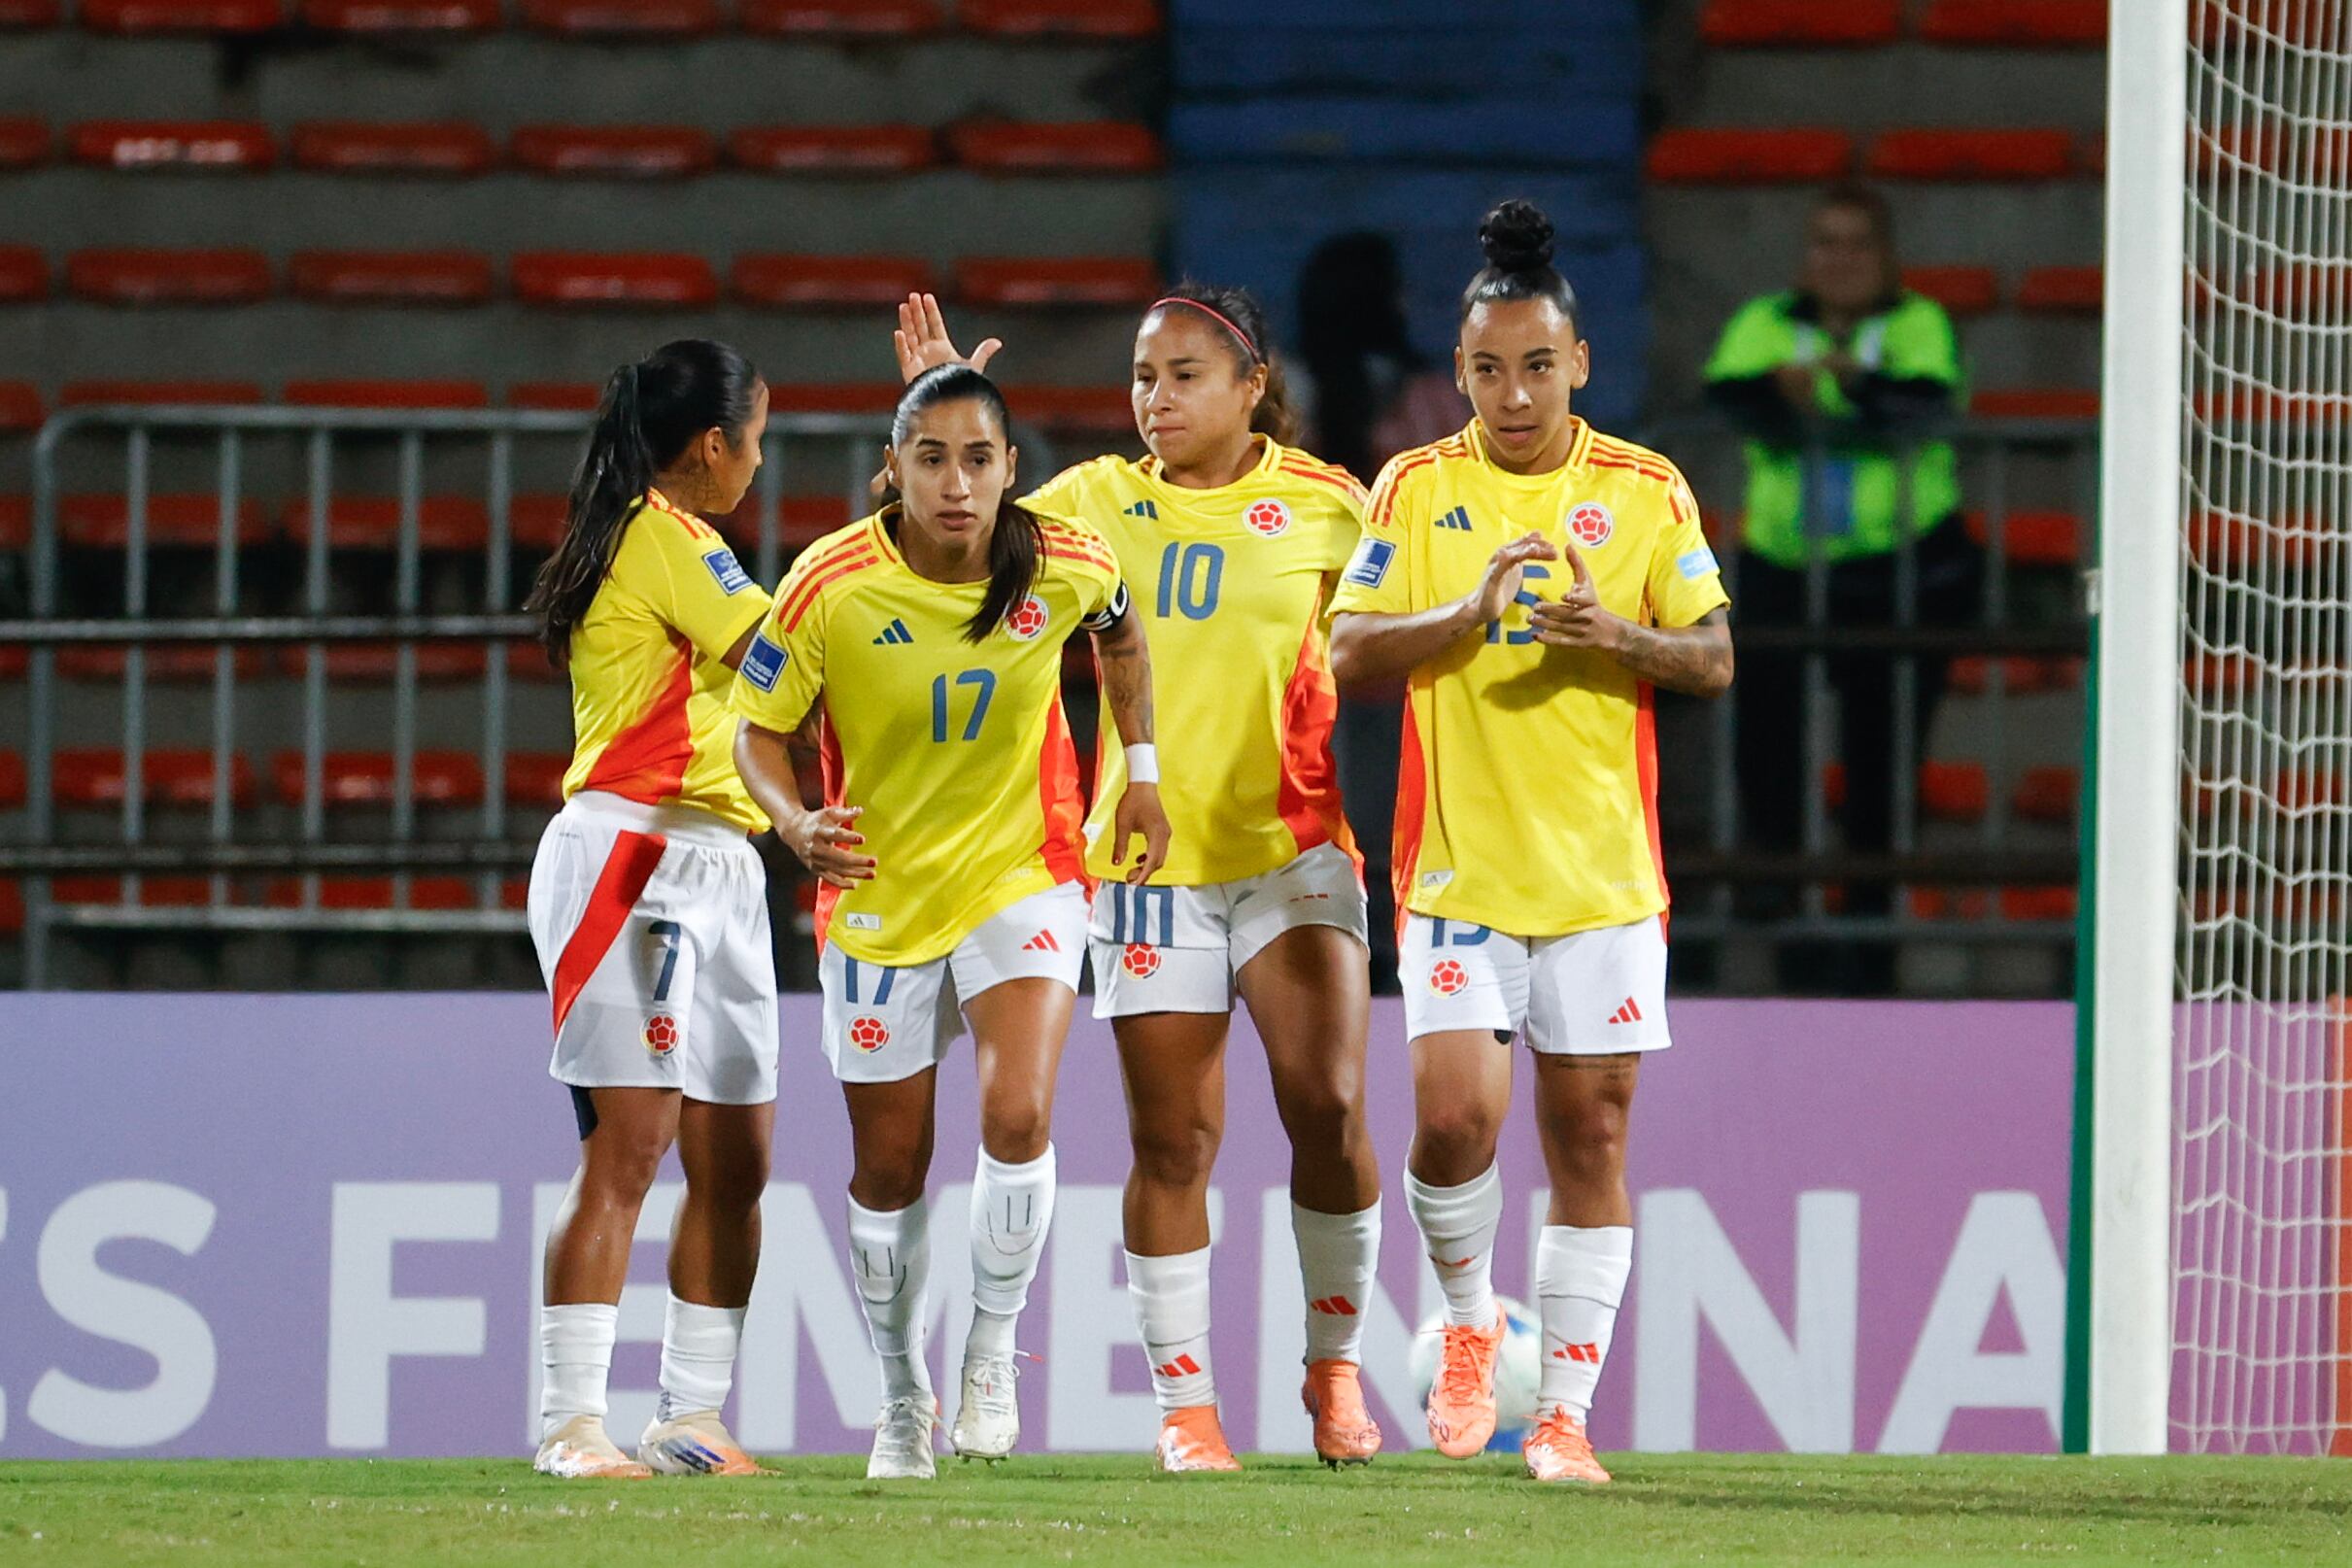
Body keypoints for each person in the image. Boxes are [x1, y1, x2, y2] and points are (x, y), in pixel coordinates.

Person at [893, 287, 1387, 1473]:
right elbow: (949, 542)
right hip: (1149, 860)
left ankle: (1333, 1365)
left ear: (1250, 387)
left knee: (1326, 1107)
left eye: (1181, 379)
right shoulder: (1091, 504)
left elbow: (1398, 636)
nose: (1153, 401)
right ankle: (1188, 1409)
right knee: (1175, 1143)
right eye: (1140, 378)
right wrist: (946, 409)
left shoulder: (1333, 507)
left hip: (1294, 848)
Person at [1327, 200, 1734, 1485]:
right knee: (1452, 1123)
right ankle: (1463, 1320)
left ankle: (1560, 1416)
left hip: (1604, 881)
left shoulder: (1641, 488)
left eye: (1537, 365)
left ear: (1580, 364)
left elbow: (1715, 657)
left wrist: (1617, 636)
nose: (1514, 391)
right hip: (1456, 871)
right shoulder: (1417, 484)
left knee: (1591, 1146)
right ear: (1457, 375)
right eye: (1489, 368)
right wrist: (1465, 611)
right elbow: (1350, 654)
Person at [730, 365, 1171, 1481]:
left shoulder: (1067, 560)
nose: (958, 483)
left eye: (979, 459)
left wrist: (1147, 774)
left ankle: (986, 1353)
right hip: (877, 898)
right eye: (931, 458)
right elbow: (756, 731)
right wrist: (791, 821)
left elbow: (1122, 636)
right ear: (895, 470)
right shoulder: (828, 584)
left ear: (1012, 471)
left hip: (1020, 875)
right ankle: (898, 1397)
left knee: (1018, 1116)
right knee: (891, 1170)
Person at [519, 339, 778, 1480]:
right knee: (631, 1146)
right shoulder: (663, 534)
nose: (758, 464)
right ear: (713, 444)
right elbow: (786, 658)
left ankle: (690, 1417)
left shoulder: (667, 538)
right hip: (634, 856)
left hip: (722, 860)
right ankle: (573, 1423)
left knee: (736, 1158)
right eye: (757, 441)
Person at [1703, 183, 1978, 991]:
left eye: (1856, 242)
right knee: (1769, 749)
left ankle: (1869, 944)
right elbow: (1724, 394)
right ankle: (1788, 930)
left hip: (1896, 571)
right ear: (1805, 255)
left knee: (1880, 761)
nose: (1840, 257)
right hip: (1782, 566)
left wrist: (1844, 383)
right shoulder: (1766, 321)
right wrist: (1780, 391)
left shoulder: (1918, 323)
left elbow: (1924, 402)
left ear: (1885, 254)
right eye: (1824, 241)